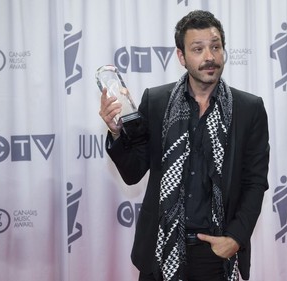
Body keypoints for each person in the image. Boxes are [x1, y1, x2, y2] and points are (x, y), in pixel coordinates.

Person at [99, 10, 269, 281]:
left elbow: (255, 182)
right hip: (159, 249)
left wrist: (235, 238)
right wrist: (117, 132)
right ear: (182, 56)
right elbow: (133, 173)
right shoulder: (156, 102)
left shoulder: (249, 109)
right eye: (198, 49)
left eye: (215, 47)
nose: (209, 57)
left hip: (216, 253)